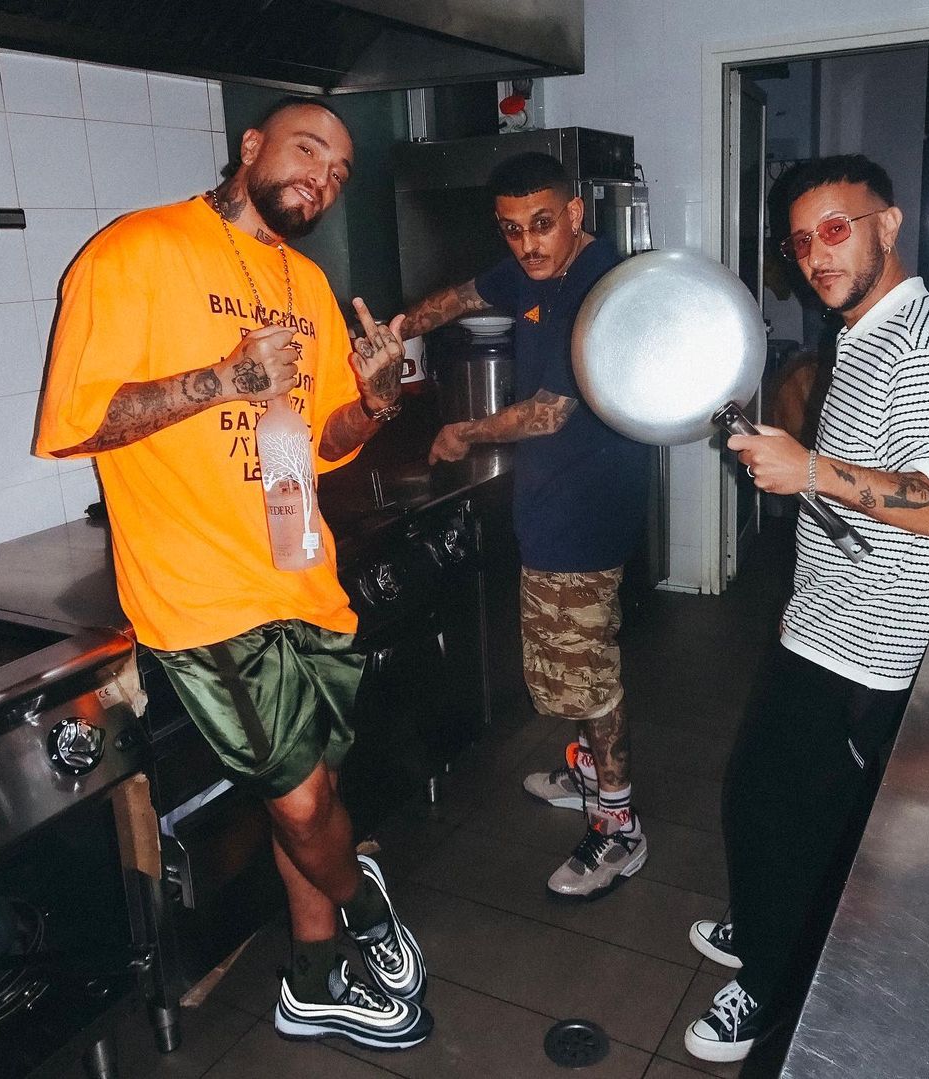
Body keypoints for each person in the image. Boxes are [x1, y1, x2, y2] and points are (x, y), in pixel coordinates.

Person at [35, 97, 433, 1051]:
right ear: (251, 146)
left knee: (310, 795)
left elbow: (325, 439)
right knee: (303, 801)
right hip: (204, 596)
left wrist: (376, 403)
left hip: (304, 576)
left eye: (339, 171)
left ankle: (312, 979)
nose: (323, 179)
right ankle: (364, 902)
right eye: (308, 150)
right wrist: (223, 379)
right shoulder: (134, 251)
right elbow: (76, 421)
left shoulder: (306, 280)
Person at [684, 154, 929, 1063]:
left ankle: (770, 986)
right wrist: (796, 473)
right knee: (762, 799)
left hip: (867, 647)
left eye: (835, 229)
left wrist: (811, 468)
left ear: (886, 226)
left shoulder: (928, 346)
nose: (817, 255)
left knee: (778, 813)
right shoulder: (863, 331)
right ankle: (765, 923)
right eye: (801, 241)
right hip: (827, 619)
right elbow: (862, 489)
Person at [398, 152, 651, 899]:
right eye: (511, 229)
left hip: (586, 512)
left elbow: (548, 413)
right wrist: (395, 330)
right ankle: (589, 776)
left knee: (590, 676)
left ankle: (619, 826)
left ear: (574, 214)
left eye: (542, 224)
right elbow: (464, 296)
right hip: (552, 506)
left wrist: (462, 433)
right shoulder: (532, 270)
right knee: (571, 665)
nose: (527, 243)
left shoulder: (598, 289)